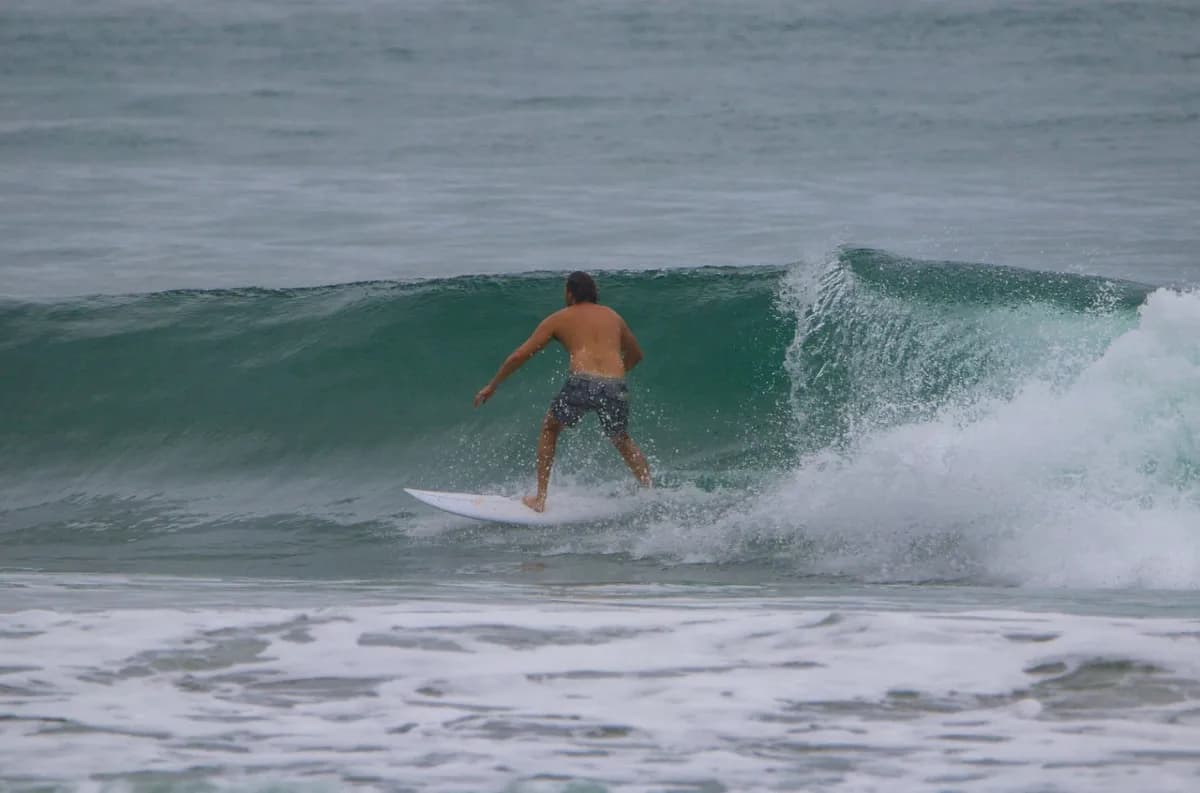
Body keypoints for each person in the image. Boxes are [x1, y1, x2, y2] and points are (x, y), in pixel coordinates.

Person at [474, 271, 652, 512]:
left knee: (550, 428)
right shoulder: (613, 316)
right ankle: (650, 492)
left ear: (570, 293)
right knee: (621, 439)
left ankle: (540, 498)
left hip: (582, 381)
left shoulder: (559, 318)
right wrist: (612, 379)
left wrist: (493, 385)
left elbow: (520, 355)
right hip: (615, 383)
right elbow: (636, 355)